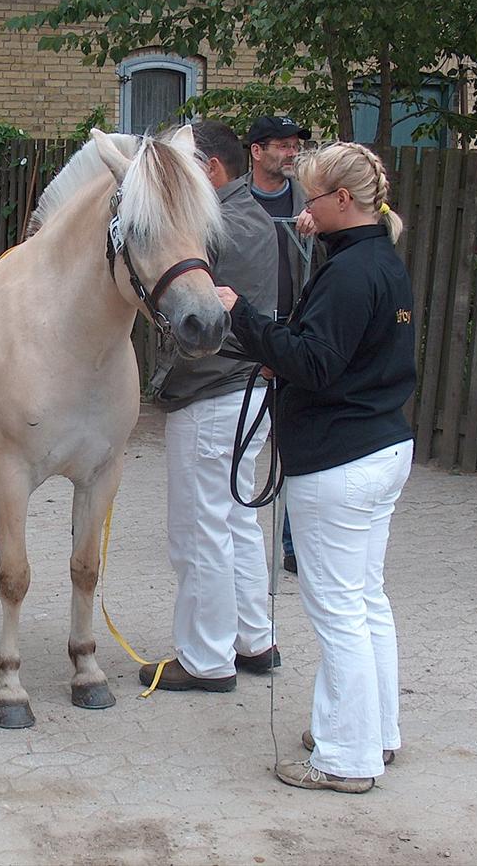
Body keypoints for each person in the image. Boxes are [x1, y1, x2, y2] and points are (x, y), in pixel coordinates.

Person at [218, 142, 416, 793]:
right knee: (365, 601)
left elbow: (316, 362)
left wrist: (239, 316)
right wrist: (289, 350)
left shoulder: (354, 272)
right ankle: (372, 732)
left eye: (313, 197)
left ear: (342, 200)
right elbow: (329, 349)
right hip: (379, 446)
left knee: (339, 612)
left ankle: (345, 758)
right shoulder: (375, 260)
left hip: (341, 458)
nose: (304, 208)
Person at [139, 120, 281, 695]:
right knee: (236, 521)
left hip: (214, 392)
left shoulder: (212, 225)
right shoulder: (254, 215)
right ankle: (253, 639)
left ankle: (205, 659)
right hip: (248, 389)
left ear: (209, 170)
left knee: (199, 532)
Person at [243, 114, 317, 574]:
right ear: (256, 151)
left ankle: (293, 543)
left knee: (295, 437)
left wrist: (320, 225)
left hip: (293, 331)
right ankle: (234, 522)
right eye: (282, 146)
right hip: (247, 335)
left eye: (294, 146)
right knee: (242, 436)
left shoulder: (308, 200)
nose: (291, 153)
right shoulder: (233, 201)